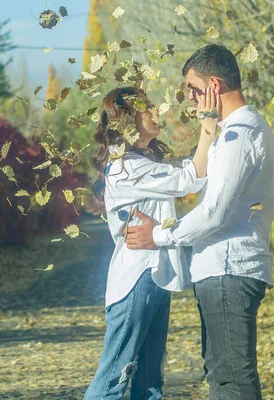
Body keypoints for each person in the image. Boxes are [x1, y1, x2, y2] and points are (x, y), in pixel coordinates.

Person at [126, 44, 274, 400]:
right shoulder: (234, 130)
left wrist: (159, 236)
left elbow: (215, 212)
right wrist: (208, 131)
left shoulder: (239, 133)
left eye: (193, 90)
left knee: (232, 381)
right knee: (220, 373)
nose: (191, 100)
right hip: (223, 271)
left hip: (229, 268)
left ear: (213, 85)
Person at [83, 86, 218, 400]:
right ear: (130, 121)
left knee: (150, 381)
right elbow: (190, 179)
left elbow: (185, 173)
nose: (156, 114)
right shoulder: (125, 168)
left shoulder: (140, 162)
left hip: (153, 277)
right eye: (148, 110)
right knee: (112, 380)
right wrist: (208, 131)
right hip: (136, 280)